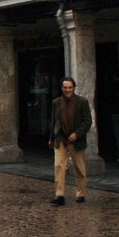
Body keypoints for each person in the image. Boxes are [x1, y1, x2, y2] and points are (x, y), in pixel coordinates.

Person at [49, 77, 92, 205]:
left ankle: (81, 193)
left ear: (73, 88)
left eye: (70, 87)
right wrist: (51, 138)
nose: (67, 90)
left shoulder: (82, 102)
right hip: (60, 138)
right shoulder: (56, 102)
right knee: (59, 166)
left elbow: (87, 121)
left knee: (80, 168)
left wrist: (77, 134)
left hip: (76, 140)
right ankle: (60, 195)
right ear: (62, 88)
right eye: (65, 87)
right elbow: (53, 122)